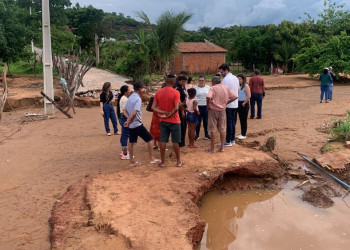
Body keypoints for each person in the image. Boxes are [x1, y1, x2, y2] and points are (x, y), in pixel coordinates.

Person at [123, 82, 160, 166]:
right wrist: (129, 120)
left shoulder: (130, 97)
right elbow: (135, 112)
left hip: (132, 125)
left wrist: (128, 120)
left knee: (131, 142)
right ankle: (152, 158)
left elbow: (124, 110)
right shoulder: (137, 99)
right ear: (139, 89)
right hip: (137, 124)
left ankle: (131, 161)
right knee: (150, 139)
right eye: (142, 88)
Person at [152, 74, 184, 167]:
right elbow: (176, 107)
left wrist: (163, 113)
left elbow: (153, 107)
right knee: (175, 141)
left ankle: (162, 162)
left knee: (163, 140)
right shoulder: (176, 92)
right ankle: (178, 162)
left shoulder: (158, 92)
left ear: (166, 81)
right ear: (174, 82)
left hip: (163, 121)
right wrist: (169, 114)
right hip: (174, 120)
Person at [206, 76, 237, 153]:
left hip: (213, 110)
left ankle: (212, 149)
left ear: (213, 82)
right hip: (222, 110)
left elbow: (208, 97)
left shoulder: (212, 88)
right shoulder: (225, 88)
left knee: (212, 129)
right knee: (222, 128)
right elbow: (235, 97)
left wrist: (207, 105)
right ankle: (222, 148)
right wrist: (226, 103)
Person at [219, 64, 240, 147]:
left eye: (222, 72)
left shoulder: (226, 79)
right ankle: (232, 139)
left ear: (226, 70)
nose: (221, 74)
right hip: (235, 103)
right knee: (232, 122)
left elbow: (224, 93)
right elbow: (237, 90)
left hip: (229, 104)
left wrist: (224, 102)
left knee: (229, 123)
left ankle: (228, 140)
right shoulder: (235, 78)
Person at [117, 85, 131, 159]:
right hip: (124, 117)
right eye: (128, 90)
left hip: (122, 117)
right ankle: (125, 154)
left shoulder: (123, 98)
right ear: (125, 92)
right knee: (125, 135)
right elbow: (126, 110)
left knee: (124, 134)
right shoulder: (125, 99)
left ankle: (123, 151)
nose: (130, 91)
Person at [194, 75, 211, 140]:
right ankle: (197, 135)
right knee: (198, 122)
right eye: (200, 80)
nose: (201, 81)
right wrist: (195, 108)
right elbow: (193, 98)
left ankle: (206, 135)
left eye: (202, 80)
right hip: (198, 107)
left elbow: (210, 96)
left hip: (206, 107)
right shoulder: (195, 88)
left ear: (205, 81)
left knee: (206, 122)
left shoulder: (208, 87)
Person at [235, 74, 251, 140]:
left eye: (240, 79)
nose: (238, 80)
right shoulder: (239, 86)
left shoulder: (246, 86)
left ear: (243, 79)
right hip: (238, 103)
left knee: (243, 119)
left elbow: (248, 96)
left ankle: (244, 134)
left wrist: (244, 103)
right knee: (240, 119)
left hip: (244, 103)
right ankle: (242, 133)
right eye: (238, 79)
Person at [176, 75, 188, 147]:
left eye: (184, 81)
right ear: (179, 81)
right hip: (181, 110)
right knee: (181, 126)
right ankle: (180, 142)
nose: (184, 82)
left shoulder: (182, 88)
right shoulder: (178, 89)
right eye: (183, 81)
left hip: (182, 109)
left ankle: (181, 141)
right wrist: (182, 111)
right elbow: (179, 101)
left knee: (183, 126)